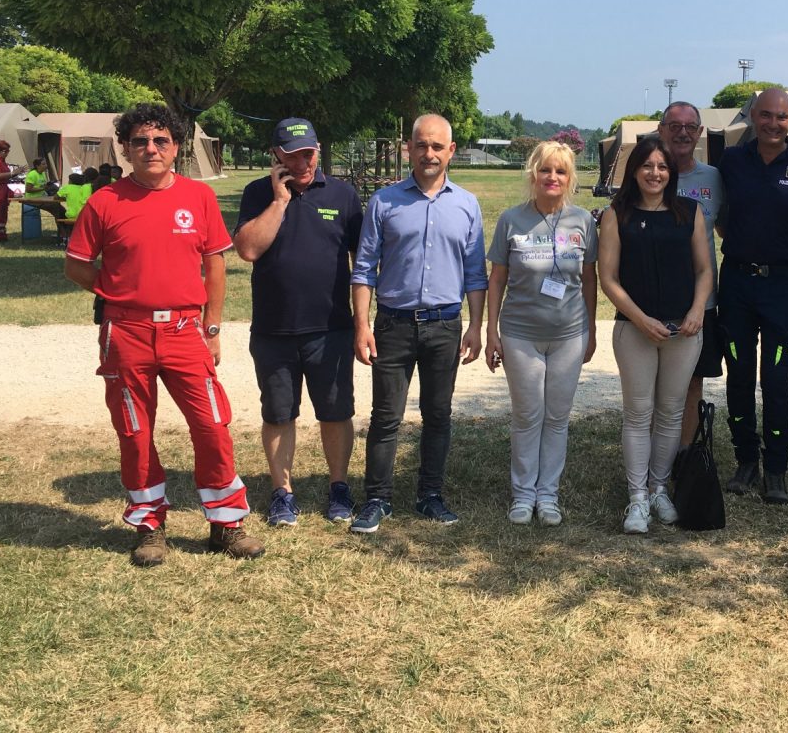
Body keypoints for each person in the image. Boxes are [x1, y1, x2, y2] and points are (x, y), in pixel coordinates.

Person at [64, 103, 264, 566]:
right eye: (140, 141)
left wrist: (212, 327)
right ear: (126, 148)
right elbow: (76, 264)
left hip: (184, 329)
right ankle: (150, 526)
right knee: (135, 431)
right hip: (126, 331)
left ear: (176, 148)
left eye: (161, 141)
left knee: (212, 425)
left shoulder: (198, 197)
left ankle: (226, 523)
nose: (150, 149)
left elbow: (215, 265)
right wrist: (118, 290)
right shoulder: (104, 201)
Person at [349, 113, 487, 534]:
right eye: (421, 145)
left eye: (437, 146)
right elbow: (364, 268)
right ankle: (377, 499)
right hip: (393, 324)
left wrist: (476, 326)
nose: (429, 154)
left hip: (445, 326)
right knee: (385, 416)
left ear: (451, 152)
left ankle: (430, 495)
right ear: (409, 149)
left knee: (438, 415)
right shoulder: (384, 202)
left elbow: (475, 273)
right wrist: (361, 325)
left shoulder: (466, 205)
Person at [234, 117, 364, 526]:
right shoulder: (258, 193)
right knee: (278, 414)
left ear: (318, 149)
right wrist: (279, 201)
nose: (303, 162)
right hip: (274, 329)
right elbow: (248, 250)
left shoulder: (343, 194)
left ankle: (339, 487)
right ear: (276, 155)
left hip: (330, 327)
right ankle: (282, 493)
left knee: (336, 411)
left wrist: (363, 322)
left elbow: (362, 263)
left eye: (308, 153)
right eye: (292, 155)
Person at [716, 87, 788, 504]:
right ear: (753, 117)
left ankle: (776, 467)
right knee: (739, 375)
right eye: (765, 115)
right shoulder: (731, 161)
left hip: (785, 287)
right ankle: (746, 460)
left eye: (781, 117)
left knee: (778, 379)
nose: (772, 124)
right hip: (738, 284)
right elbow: (719, 215)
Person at [598, 138, 712, 534]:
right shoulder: (617, 214)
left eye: (662, 166)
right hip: (635, 329)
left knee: (670, 413)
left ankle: (659, 488)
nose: (654, 173)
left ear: (671, 172)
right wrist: (641, 318)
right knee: (638, 413)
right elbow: (607, 278)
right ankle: (636, 499)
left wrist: (697, 310)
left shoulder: (689, 212)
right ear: (634, 170)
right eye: (646, 165)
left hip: (683, 331)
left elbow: (704, 270)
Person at [485, 141, 598, 526]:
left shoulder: (583, 221)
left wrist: (592, 331)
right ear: (532, 174)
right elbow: (496, 278)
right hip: (520, 333)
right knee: (527, 415)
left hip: (569, 333)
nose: (552, 178)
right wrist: (491, 331)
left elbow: (589, 279)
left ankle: (548, 495)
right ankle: (522, 494)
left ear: (570, 179)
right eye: (545, 170)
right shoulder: (510, 220)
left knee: (558, 417)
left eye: (561, 171)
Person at [656, 102, 725, 448]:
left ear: (699, 133)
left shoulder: (713, 177)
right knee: (652, 385)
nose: (682, 132)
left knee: (692, 383)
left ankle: (685, 458)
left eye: (690, 126)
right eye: (674, 125)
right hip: (653, 300)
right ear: (661, 130)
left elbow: (727, 229)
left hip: (701, 302)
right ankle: (654, 460)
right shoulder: (649, 173)